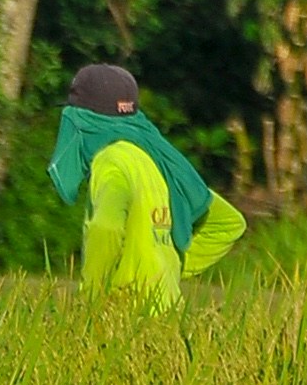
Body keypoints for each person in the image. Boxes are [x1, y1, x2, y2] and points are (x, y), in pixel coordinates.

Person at [47, 63, 246, 311]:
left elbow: (105, 227)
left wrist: (91, 300)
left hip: (127, 313)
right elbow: (228, 223)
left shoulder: (110, 161)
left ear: (81, 119)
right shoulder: (156, 159)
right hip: (171, 313)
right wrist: (165, 268)